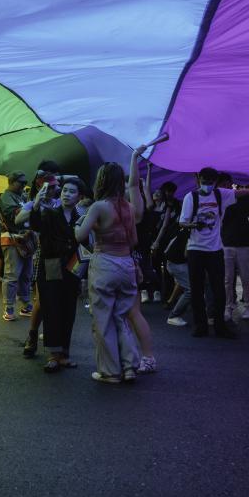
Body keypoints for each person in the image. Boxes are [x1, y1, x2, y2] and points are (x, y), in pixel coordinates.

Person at [75, 147, 147, 383]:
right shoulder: (130, 207)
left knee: (103, 319)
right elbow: (135, 187)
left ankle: (110, 371)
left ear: (101, 181)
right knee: (123, 317)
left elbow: (80, 235)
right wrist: (135, 158)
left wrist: (78, 225)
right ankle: (129, 367)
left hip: (104, 262)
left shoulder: (98, 207)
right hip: (127, 263)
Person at [179, 169, 249, 339]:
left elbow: (247, 192)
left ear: (215, 182)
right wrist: (194, 225)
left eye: (211, 182)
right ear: (199, 180)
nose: (207, 185)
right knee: (197, 290)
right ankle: (201, 326)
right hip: (195, 250)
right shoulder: (190, 197)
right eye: (204, 181)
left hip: (215, 250)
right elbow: (183, 222)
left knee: (219, 289)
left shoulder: (221, 195)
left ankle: (220, 325)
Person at [25, 176, 85, 372]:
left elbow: (86, 245)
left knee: (69, 310)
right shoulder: (50, 213)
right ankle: (53, 354)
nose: (66, 194)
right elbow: (35, 225)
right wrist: (35, 205)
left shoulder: (80, 217)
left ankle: (64, 354)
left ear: (79, 196)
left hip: (72, 266)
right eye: (64, 190)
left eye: (71, 191)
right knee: (51, 308)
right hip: (50, 263)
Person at [220, 173, 249, 322]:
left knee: (246, 276)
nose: (225, 187)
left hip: (244, 242)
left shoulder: (244, 197)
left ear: (231, 184)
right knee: (227, 279)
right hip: (224, 243)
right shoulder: (217, 199)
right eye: (222, 184)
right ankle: (228, 306)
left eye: (227, 184)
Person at [0, 171, 34, 321]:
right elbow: (16, 216)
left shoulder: (20, 196)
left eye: (25, 182)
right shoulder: (6, 197)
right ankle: (9, 308)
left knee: (26, 274)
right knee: (12, 275)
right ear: (11, 182)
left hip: (24, 239)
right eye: (21, 182)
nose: (24, 185)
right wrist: (32, 204)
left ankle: (25, 304)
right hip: (12, 239)